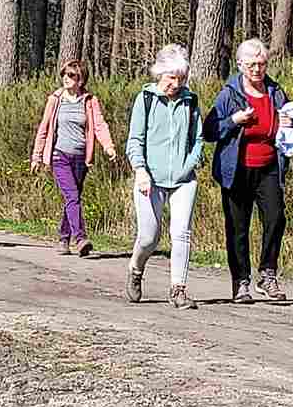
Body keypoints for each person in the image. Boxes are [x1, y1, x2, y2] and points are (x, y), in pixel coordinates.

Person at [205, 37, 293, 304]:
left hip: (269, 166)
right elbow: (209, 131)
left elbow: (292, 125)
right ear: (240, 65)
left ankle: (267, 274)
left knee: (276, 218)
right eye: (251, 64)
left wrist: (290, 123)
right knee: (238, 228)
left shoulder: (275, 92)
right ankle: (241, 282)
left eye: (261, 63)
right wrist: (234, 120)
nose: (257, 69)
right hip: (236, 169)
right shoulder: (229, 94)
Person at [124, 44, 203, 310]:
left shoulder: (190, 101)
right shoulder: (145, 99)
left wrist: (189, 165)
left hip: (184, 180)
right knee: (149, 237)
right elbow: (135, 141)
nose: (176, 84)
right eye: (171, 77)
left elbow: (198, 140)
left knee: (181, 233)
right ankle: (136, 268)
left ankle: (178, 290)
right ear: (160, 73)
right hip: (150, 178)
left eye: (181, 78)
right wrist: (140, 170)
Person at [30, 58, 118, 256]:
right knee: (72, 196)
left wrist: (108, 146)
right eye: (64, 74)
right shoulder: (55, 100)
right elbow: (44, 128)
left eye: (71, 75)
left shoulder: (90, 101)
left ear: (81, 79)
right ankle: (79, 238)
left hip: (81, 158)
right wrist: (37, 156)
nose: (66, 78)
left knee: (73, 198)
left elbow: (99, 125)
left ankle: (63, 238)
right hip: (59, 156)